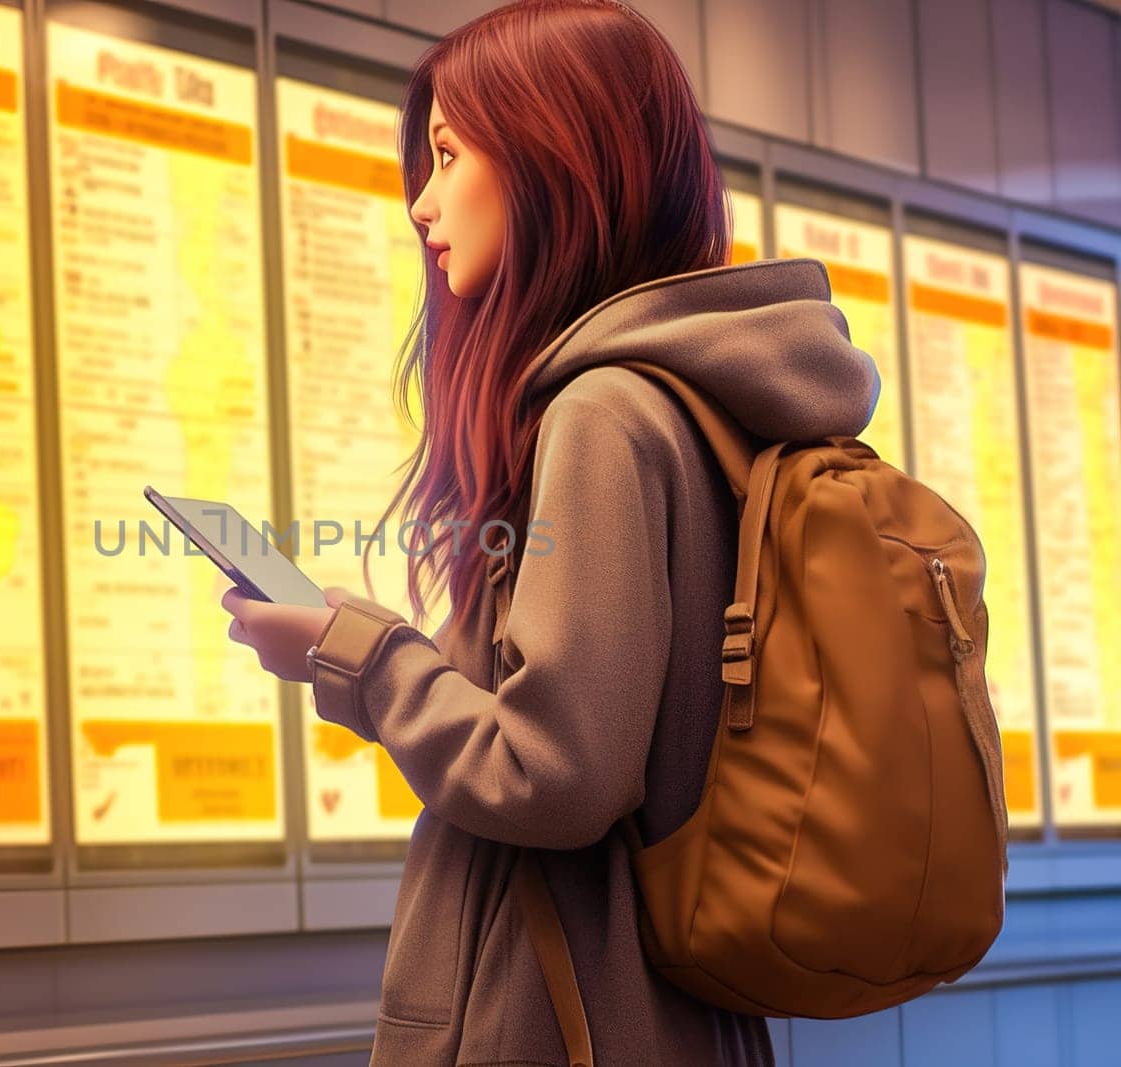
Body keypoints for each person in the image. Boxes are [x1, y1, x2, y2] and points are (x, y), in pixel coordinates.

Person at [220, 1, 879, 1063]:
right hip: (666, 1017)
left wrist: (359, 658)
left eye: (447, 154)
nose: (421, 202)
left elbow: (553, 769)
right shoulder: (712, 405)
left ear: (552, 156)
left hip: (558, 1020)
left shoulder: (605, 414)